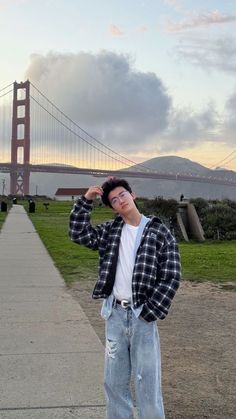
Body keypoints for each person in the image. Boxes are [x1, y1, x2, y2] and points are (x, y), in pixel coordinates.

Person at [69, 177, 181, 419]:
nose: (120, 200)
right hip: (115, 317)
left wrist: (150, 312)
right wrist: (86, 200)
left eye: (122, 195)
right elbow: (78, 233)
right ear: (112, 208)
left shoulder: (158, 231)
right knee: (114, 382)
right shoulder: (110, 231)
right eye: (114, 200)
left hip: (142, 316)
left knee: (147, 383)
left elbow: (171, 275)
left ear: (133, 195)